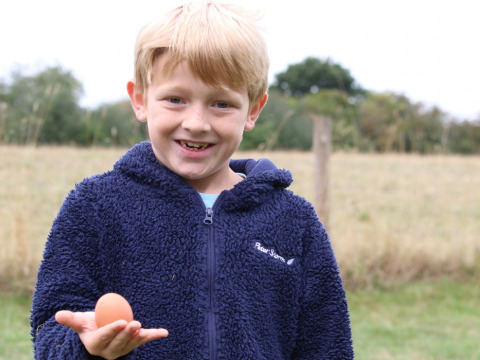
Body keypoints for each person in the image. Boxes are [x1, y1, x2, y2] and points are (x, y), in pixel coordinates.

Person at [30, 1, 354, 359]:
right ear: (140, 99)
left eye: (221, 104)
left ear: (254, 110)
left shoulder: (294, 221)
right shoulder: (94, 206)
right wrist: (83, 346)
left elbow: (328, 343)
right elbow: (52, 327)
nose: (197, 122)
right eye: (175, 99)